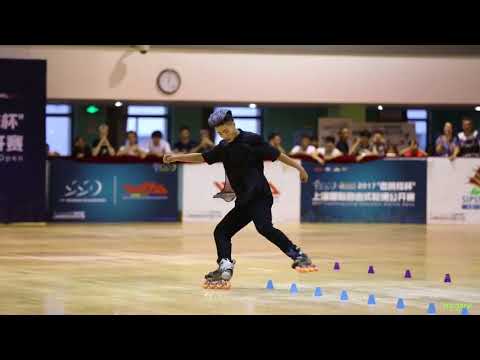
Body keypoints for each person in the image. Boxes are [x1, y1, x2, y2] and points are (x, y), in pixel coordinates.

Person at [163, 109, 318, 289]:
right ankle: (225, 265)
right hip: (244, 201)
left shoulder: (252, 140)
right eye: (220, 133)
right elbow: (203, 157)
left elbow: (277, 154)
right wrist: (176, 158)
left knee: (264, 227)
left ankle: (298, 256)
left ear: (233, 123)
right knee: (221, 231)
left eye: (225, 130)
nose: (224, 135)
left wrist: (299, 167)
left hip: (260, 196)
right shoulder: (223, 147)